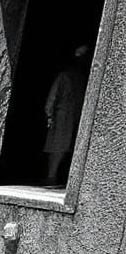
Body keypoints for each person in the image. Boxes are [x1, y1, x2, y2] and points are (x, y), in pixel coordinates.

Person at [43, 43, 90, 186]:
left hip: (77, 116)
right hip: (62, 116)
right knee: (58, 146)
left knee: (70, 146)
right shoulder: (64, 76)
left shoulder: (84, 78)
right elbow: (52, 98)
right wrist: (50, 115)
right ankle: (51, 176)